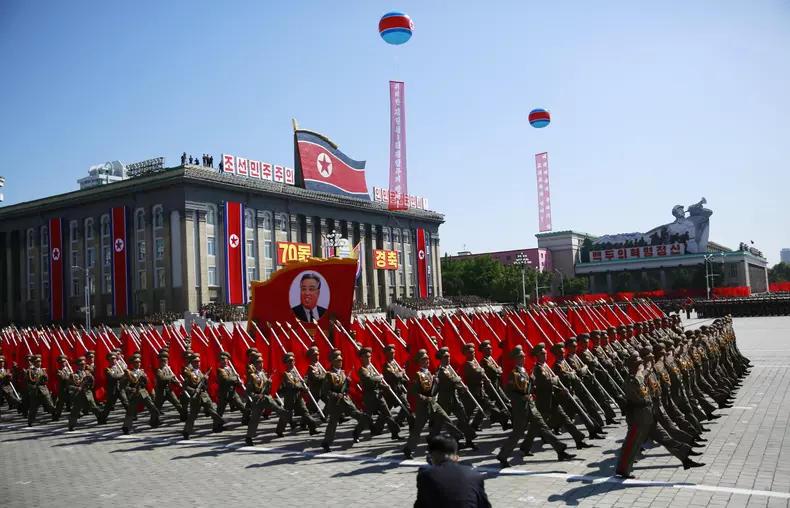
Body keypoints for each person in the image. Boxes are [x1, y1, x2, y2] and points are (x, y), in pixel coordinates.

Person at [414, 436, 492, 508]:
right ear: (456, 457)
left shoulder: (425, 476)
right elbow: (485, 506)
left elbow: (420, 505)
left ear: (432, 457)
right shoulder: (474, 475)